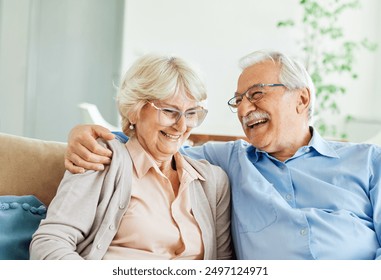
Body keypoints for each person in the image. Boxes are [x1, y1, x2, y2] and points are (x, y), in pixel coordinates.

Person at [64, 50, 381, 260]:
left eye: (256, 94)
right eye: (238, 100)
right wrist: (89, 136)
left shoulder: (368, 161)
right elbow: (159, 142)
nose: (244, 108)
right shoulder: (226, 161)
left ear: (301, 98)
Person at [30, 54, 232, 260]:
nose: (181, 126)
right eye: (169, 111)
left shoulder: (213, 182)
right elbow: (50, 243)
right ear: (135, 111)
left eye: (191, 113)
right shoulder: (101, 157)